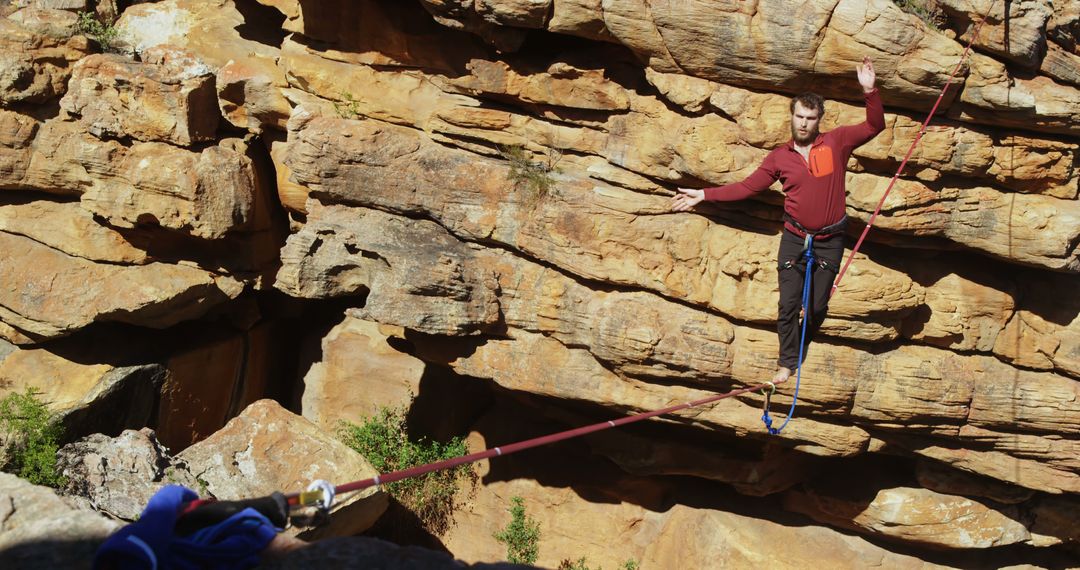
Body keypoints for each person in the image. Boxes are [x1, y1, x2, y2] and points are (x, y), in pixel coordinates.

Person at [671, 56, 885, 385]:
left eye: (810, 118)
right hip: (795, 237)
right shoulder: (779, 158)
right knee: (787, 306)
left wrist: (870, 91)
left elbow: (874, 126)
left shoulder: (837, 142)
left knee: (814, 309)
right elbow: (746, 187)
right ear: (791, 116)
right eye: (799, 116)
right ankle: (787, 362)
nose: (803, 123)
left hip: (830, 240)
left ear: (819, 120)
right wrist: (704, 195)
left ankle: (800, 345)